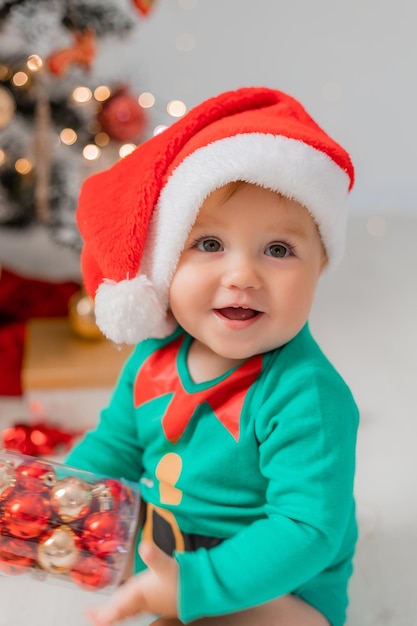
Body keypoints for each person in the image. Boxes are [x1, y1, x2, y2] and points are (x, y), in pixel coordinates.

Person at [66, 87, 359, 626]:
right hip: (170, 546)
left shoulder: (307, 396)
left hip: (280, 587)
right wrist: (66, 497)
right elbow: (117, 444)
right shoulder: (154, 357)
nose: (243, 276)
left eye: (278, 250)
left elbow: (307, 529)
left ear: (319, 268)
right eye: (208, 244)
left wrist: (196, 586)